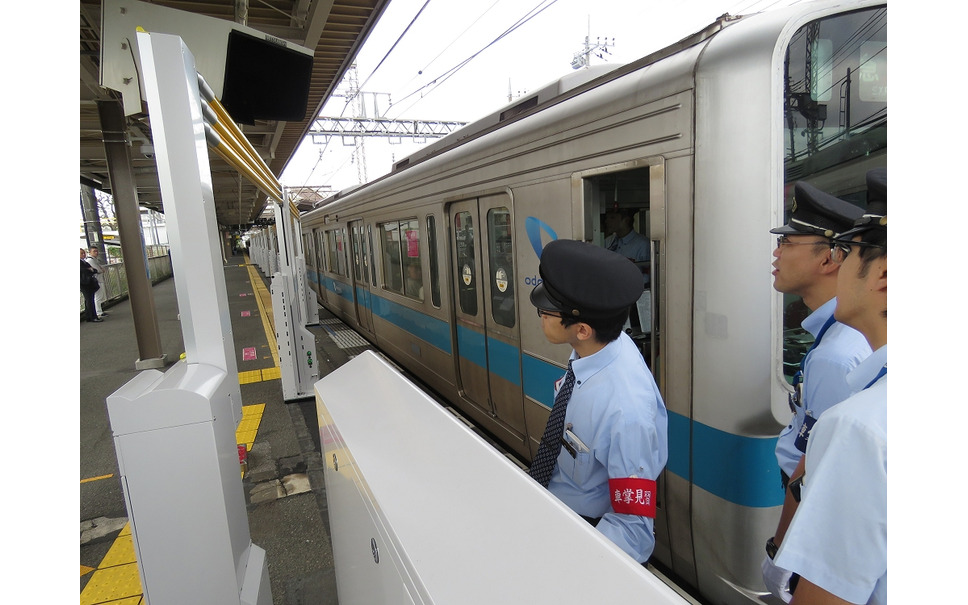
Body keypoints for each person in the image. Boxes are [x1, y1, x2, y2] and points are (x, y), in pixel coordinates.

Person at [773, 168, 887, 604]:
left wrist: (780, 551)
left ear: (883, 275)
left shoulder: (860, 426)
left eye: (854, 250)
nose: (843, 263)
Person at [528, 238, 668, 564]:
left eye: (546, 311)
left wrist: (575, 565)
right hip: (553, 505)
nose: (541, 317)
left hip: (582, 533)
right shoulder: (596, 349)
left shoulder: (627, 411)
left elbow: (633, 528)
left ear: (582, 329)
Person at [80, 248, 102, 323]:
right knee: (90, 300)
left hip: (87, 283)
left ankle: (88, 316)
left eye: (84, 253)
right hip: (84, 283)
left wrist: (90, 270)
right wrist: (90, 269)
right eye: (81, 253)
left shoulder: (84, 262)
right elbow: (84, 270)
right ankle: (93, 317)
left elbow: (94, 270)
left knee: (88, 300)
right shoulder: (81, 263)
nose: (83, 255)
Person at [86, 246, 107, 318]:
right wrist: (101, 270)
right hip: (97, 280)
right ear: (90, 252)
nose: (96, 252)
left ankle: (99, 311)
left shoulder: (94, 259)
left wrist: (101, 269)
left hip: (98, 280)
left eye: (97, 251)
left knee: (99, 296)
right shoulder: (90, 260)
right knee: (98, 297)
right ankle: (99, 312)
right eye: (94, 251)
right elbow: (98, 270)